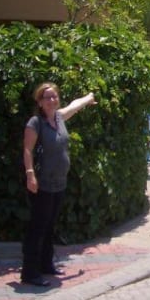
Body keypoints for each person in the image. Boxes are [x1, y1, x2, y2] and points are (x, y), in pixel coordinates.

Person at [21, 82, 96, 287]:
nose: (52, 100)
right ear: (40, 102)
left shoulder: (59, 117)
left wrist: (89, 98)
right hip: (42, 184)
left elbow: (74, 105)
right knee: (38, 228)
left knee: (49, 226)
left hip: (59, 183)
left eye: (54, 96)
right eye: (47, 97)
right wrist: (30, 175)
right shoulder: (35, 122)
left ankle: (46, 265)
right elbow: (27, 150)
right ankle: (29, 273)